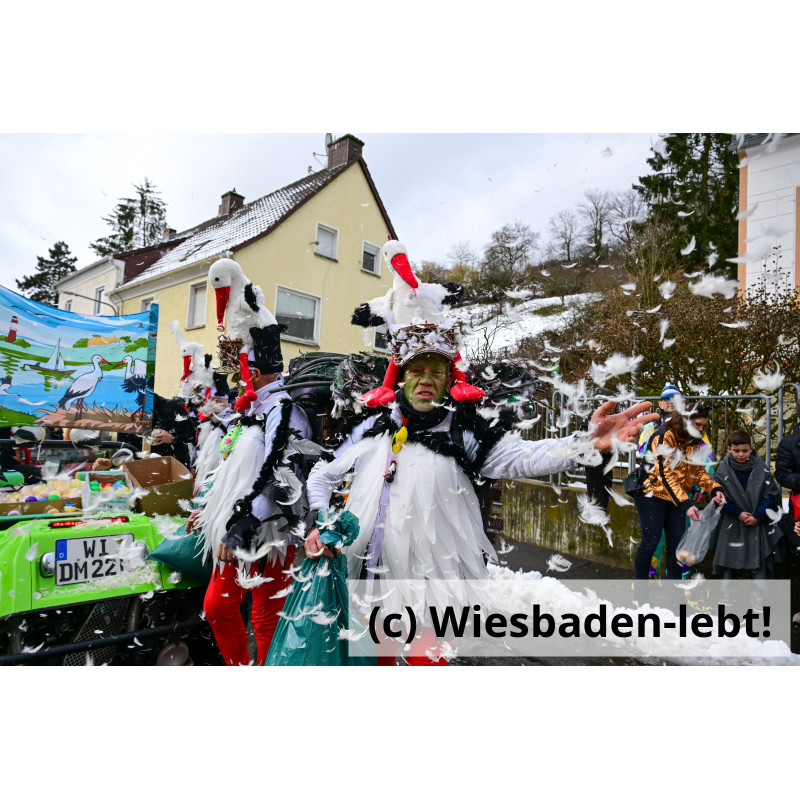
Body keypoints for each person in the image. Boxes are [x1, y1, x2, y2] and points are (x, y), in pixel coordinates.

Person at [304, 326, 658, 665]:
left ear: (449, 379)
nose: (426, 380)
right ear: (401, 376)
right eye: (417, 370)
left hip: (433, 583)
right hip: (372, 573)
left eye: (436, 371)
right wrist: (322, 519)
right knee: (372, 666)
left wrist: (582, 443)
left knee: (428, 665)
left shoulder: (467, 430)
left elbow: (522, 458)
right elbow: (322, 473)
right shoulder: (373, 424)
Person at [186, 323, 312, 666]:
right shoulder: (250, 411)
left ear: (253, 373)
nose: (239, 381)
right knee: (221, 607)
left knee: (264, 615)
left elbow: (284, 478)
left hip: (268, 528)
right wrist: (208, 509)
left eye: (242, 373)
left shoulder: (284, 411)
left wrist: (243, 524)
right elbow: (230, 470)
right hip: (241, 524)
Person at [633, 403, 725, 580]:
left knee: (677, 546)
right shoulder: (663, 436)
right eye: (697, 425)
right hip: (652, 495)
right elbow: (664, 473)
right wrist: (686, 503)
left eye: (703, 426)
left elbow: (697, 471)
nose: (700, 429)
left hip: (676, 497)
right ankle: (641, 592)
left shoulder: (693, 441)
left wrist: (714, 489)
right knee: (650, 542)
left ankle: (675, 594)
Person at [712, 430, 782, 582]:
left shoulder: (762, 469)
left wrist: (759, 515)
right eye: (736, 451)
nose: (741, 454)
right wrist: (737, 513)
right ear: (729, 449)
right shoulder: (722, 471)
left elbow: (770, 495)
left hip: (757, 521)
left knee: (759, 560)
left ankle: (759, 598)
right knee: (728, 560)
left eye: (745, 451)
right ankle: (727, 595)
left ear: (751, 448)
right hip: (731, 520)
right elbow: (718, 497)